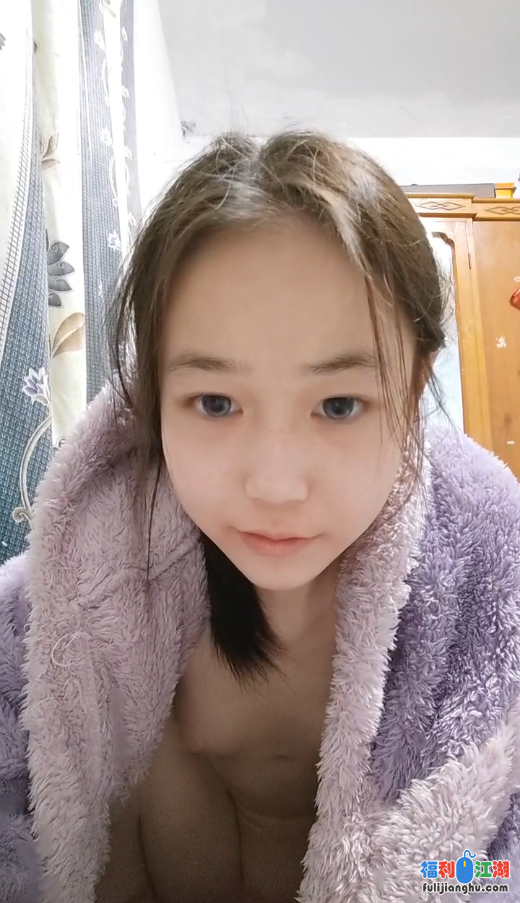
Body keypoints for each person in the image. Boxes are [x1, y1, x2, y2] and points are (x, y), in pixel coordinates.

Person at [1, 131, 519, 903]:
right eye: (215, 402)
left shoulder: (488, 602)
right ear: (154, 396)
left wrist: (428, 881)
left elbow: (501, 868)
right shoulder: (65, 601)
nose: (275, 485)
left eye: (338, 405)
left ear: (413, 391)